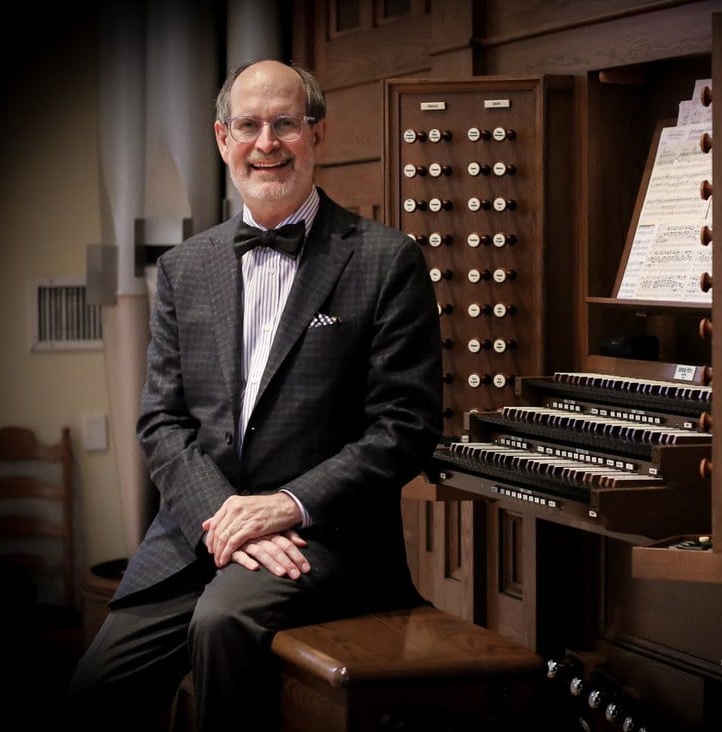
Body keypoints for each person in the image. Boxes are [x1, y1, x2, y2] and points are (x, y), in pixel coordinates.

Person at [67, 59, 444, 731]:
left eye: (285, 124)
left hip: (323, 539)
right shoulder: (187, 267)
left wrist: (286, 507)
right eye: (248, 125)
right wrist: (228, 519)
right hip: (199, 534)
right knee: (97, 685)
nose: (265, 143)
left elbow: (404, 426)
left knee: (221, 624)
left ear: (317, 136)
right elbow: (162, 420)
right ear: (222, 139)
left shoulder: (387, 261)